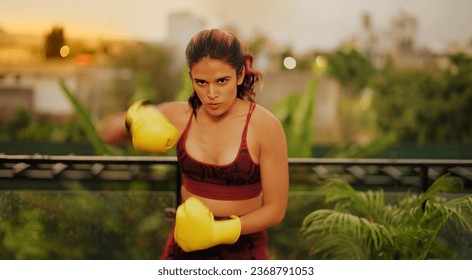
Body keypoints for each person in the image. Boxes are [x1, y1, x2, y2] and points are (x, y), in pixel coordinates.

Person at [102, 28, 289, 259]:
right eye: (201, 82)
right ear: (191, 78)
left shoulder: (265, 126)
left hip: (243, 247)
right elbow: (106, 133)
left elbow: (276, 210)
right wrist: (136, 117)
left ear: (239, 75)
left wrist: (218, 232)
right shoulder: (181, 115)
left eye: (222, 81)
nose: (212, 93)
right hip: (185, 243)